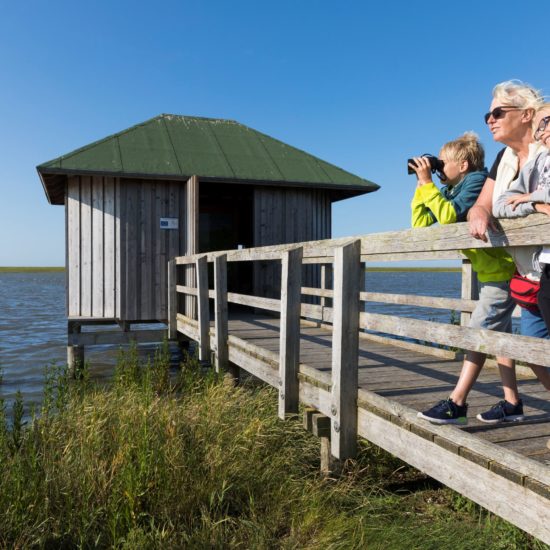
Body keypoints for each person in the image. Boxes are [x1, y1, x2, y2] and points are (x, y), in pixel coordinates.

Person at [418, 80, 544, 425]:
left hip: (518, 268)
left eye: (498, 111)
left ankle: (457, 401)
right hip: (523, 270)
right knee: (518, 340)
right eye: (488, 113)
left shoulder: (543, 151)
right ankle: (512, 402)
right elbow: (473, 209)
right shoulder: (503, 160)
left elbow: (450, 213)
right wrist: (478, 209)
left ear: (527, 114)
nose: (491, 118)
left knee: (486, 333)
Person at [493, 103, 550, 346]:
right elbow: (500, 205)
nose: (544, 132)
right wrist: (533, 206)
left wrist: (533, 196)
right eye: (539, 129)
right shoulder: (538, 162)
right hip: (547, 265)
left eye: (547, 122)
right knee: (534, 342)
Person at [410, 132, 487, 228]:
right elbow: (419, 222)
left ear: (462, 166)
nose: (438, 168)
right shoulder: (448, 191)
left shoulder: (477, 180)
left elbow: (447, 217)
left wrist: (427, 182)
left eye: (442, 163)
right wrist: (421, 188)